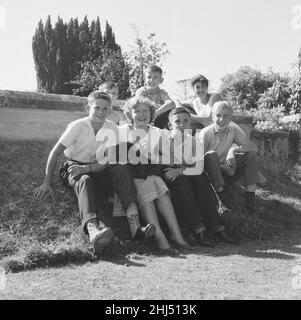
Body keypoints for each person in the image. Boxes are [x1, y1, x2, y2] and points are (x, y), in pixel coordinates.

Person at [34, 91, 155, 257]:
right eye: (97, 107)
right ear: (88, 107)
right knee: (84, 180)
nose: (101, 112)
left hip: (98, 167)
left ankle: (136, 227)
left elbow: (109, 160)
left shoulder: (111, 128)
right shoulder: (77, 126)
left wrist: (89, 168)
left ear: (110, 111)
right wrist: (47, 182)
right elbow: (55, 153)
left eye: (105, 109)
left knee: (120, 167)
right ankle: (93, 231)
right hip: (74, 165)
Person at [120, 96, 189, 255]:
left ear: (151, 114)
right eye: (137, 111)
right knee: (149, 183)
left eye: (145, 111)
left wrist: (149, 155)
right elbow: (116, 156)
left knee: (157, 186)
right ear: (130, 114)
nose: (141, 114)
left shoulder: (157, 132)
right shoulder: (122, 130)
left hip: (150, 173)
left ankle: (176, 235)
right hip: (130, 175)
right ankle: (161, 239)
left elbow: (171, 159)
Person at [160, 106, 238, 246]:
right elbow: (166, 165)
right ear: (170, 124)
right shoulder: (164, 139)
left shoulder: (194, 140)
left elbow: (198, 167)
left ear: (190, 124)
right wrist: (180, 170)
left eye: (186, 121)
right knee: (182, 180)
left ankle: (216, 225)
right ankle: (197, 228)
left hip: (185, 173)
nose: (182, 124)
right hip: (171, 177)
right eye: (178, 121)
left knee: (200, 177)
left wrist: (181, 169)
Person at [201, 101, 259, 216]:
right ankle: (222, 202)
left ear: (230, 118)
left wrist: (234, 150)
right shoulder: (206, 133)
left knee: (251, 155)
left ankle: (250, 206)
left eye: (226, 116)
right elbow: (198, 161)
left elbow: (253, 147)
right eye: (218, 115)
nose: (222, 119)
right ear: (213, 117)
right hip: (210, 178)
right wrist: (222, 168)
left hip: (228, 174)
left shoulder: (233, 129)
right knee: (211, 155)